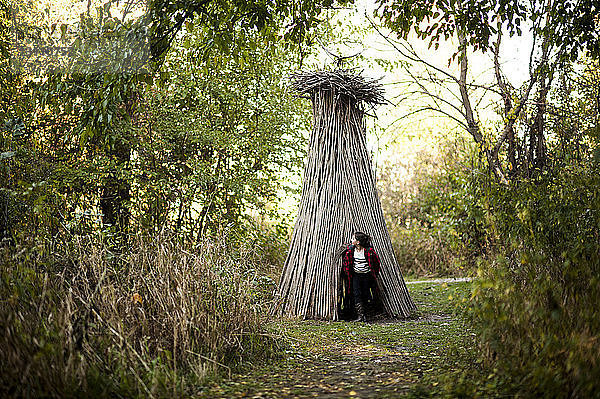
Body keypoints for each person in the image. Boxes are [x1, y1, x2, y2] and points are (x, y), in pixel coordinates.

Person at [342, 232, 381, 322]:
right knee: (356, 293)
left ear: (358, 242)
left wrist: (373, 273)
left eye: (353, 239)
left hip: (366, 275)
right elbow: (347, 262)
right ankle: (360, 316)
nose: (351, 240)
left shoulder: (369, 251)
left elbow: (376, 263)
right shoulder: (351, 250)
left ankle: (366, 314)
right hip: (356, 275)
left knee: (365, 293)